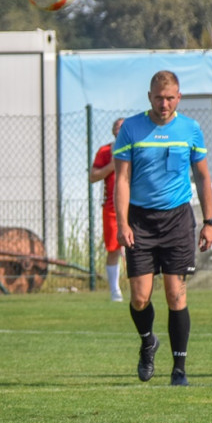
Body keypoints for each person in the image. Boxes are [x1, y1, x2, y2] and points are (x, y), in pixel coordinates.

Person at [113, 70, 212, 387]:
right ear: (149, 97)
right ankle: (147, 342)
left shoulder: (191, 129)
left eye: (170, 98)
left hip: (178, 221)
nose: (164, 104)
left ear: (179, 98)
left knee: (175, 294)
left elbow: (202, 177)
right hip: (140, 221)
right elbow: (122, 179)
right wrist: (122, 222)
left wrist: (209, 222)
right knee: (140, 297)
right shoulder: (131, 128)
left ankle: (179, 370)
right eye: (159, 97)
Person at [88, 117, 126, 301]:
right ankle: (114, 290)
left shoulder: (137, 148)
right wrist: (113, 164)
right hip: (111, 207)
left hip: (135, 205)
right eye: (118, 127)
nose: (121, 130)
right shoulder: (105, 151)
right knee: (113, 248)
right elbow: (93, 176)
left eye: (124, 127)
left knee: (138, 248)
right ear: (113, 131)